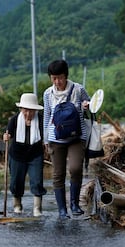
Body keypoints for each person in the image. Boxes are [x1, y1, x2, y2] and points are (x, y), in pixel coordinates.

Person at [43, 60, 90, 219]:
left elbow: (92, 107)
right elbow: (47, 116)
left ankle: (75, 204)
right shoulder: (48, 93)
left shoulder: (78, 89)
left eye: (60, 78)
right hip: (55, 138)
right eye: (54, 78)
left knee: (76, 168)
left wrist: (86, 106)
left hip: (77, 136)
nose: (57, 82)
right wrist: (45, 139)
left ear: (66, 76)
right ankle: (62, 210)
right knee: (58, 174)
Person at [3, 93, 47, 217]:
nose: (28, 114)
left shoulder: (41, 120)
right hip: (17, 155)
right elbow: (8, 134)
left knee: (37, 181)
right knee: (16, 182)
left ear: (35, 110)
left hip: (35, 155)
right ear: (21, 109)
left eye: (31, 111)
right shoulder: (14, 120)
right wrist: (6, 136)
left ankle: (37, 208)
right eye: (26, 110)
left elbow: (46, 136)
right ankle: (17, 205)